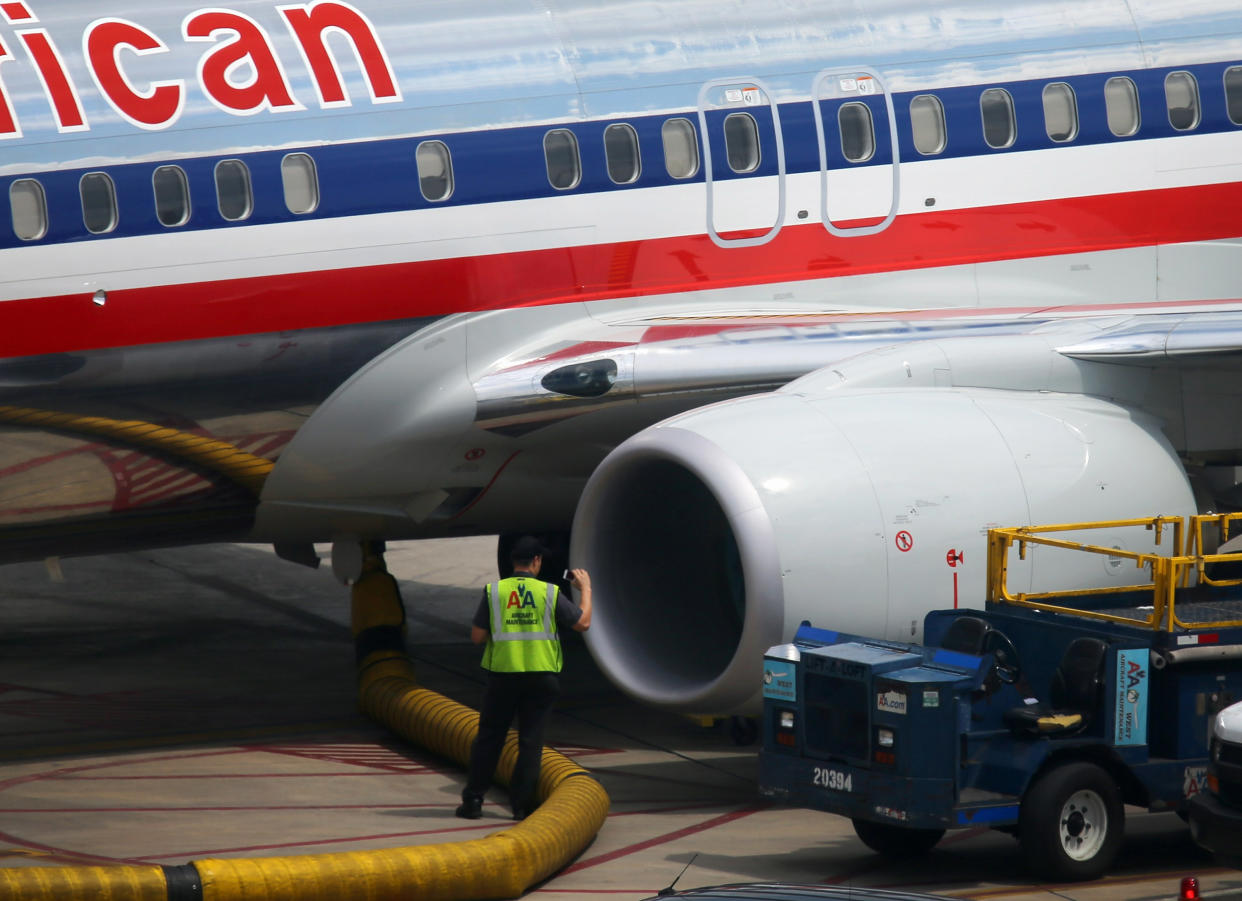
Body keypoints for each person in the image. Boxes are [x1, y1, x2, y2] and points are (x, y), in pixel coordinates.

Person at [455, 536, 592, 821]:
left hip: (503, 677)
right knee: (530, 743)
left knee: (489, 740)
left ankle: (473, 800)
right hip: (541, 678)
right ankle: (521, 806)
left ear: (513, 561)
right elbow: (583, 623)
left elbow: (477, 636)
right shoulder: (550, 592)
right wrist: (586, 590)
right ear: (537, 562)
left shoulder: (495, 591)